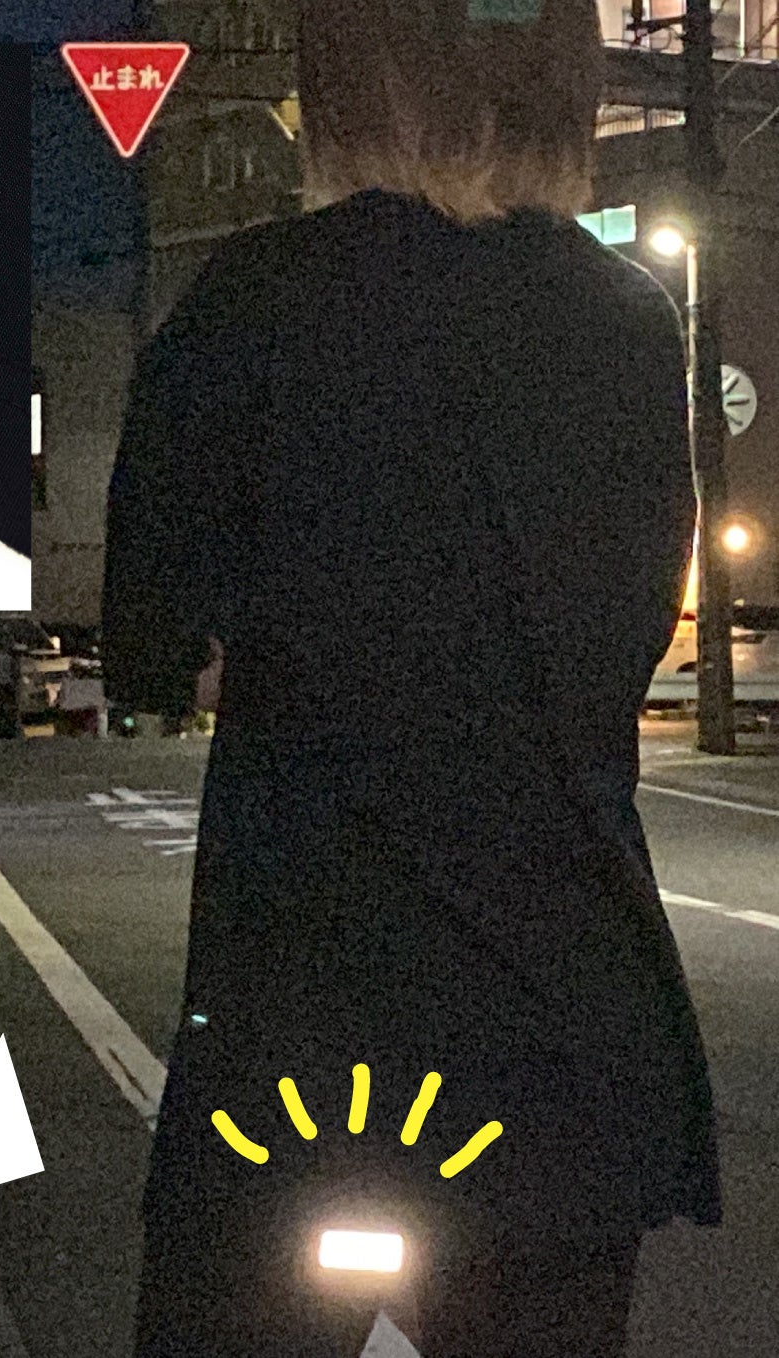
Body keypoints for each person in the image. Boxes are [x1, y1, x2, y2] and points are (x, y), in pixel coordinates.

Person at [101, 2, 722, 1355]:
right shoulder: (627, 319)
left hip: (301, 1017)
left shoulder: (254, 300)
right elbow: (622, 634)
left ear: (343, 85)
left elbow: (146, 637)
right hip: (560, 1030)